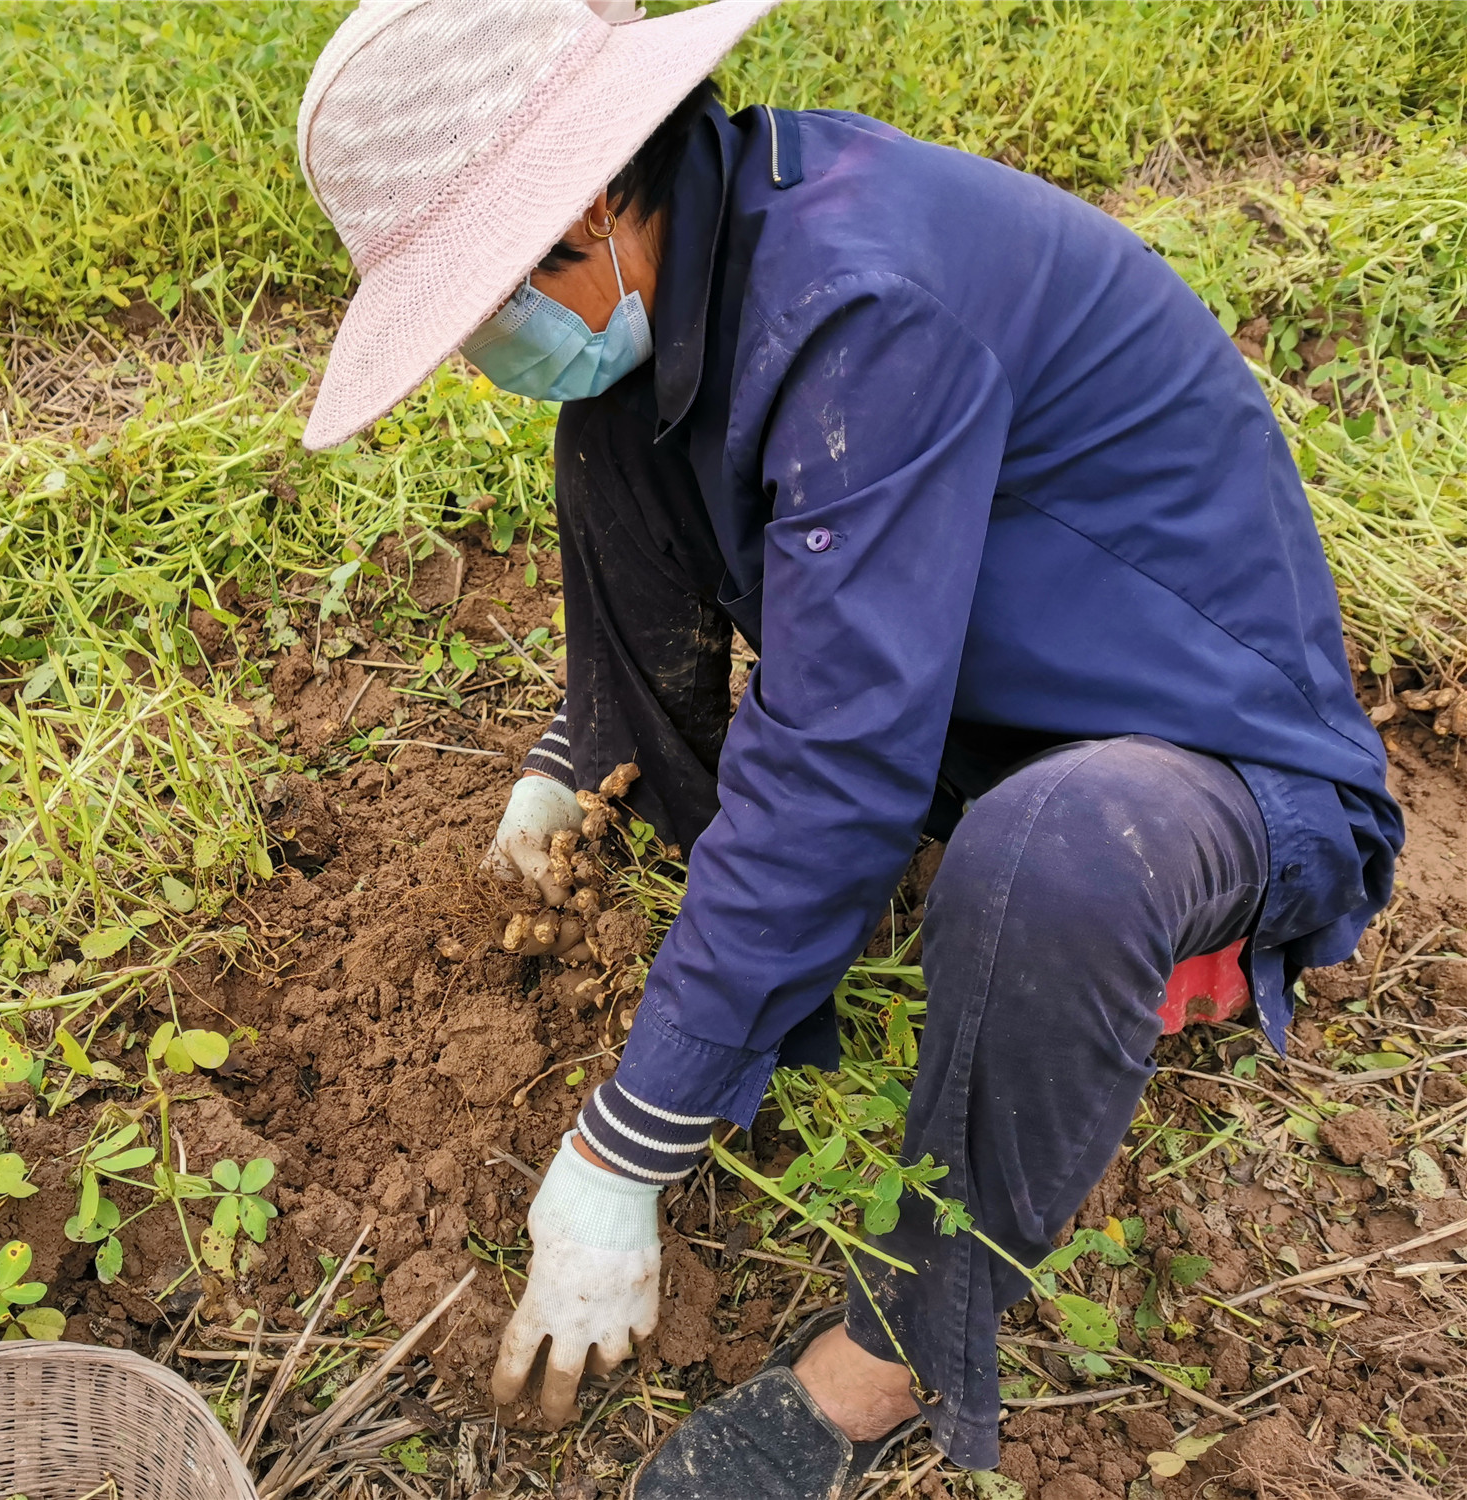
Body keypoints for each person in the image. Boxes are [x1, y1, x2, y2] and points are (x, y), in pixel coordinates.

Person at [292, 2, 1402, 1494]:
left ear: (582, 220)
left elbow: (833, 762)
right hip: (980, 701)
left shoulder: (864, 298)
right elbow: (735, 609)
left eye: (482, 304)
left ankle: (883, 1359)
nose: (486, 353)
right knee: (609, 445)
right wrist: (585, 748)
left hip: (1208, 757)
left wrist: (631, 1142)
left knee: (1052, 863)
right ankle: (778, 960)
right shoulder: (694, 275)